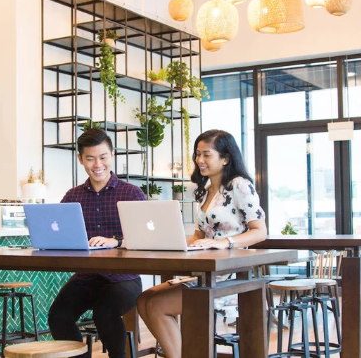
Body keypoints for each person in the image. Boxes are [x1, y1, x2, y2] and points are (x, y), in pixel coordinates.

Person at [135, 130, 267, 358]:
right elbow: (198, 236)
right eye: (197, 154)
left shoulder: (239, 185)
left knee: (157, 305)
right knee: (144, 299)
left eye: (207, 154)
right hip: (205, 273)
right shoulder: (205, 191)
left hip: (230, 276)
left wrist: (224, 243)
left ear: (225, 158)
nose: (199, 160)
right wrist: (167, 243)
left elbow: (260, 232)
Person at [46, 128, 146, 358]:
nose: (98, 164)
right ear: (80, 159)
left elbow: (144, 238)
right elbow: (61, 233)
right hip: (87, 276)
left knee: (104, 312)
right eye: (90, 158)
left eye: (103, 157)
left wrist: (115, 241)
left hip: (124, 278)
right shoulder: (73, 197)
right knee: (58, 315)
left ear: (112, 155)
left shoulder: (132, 194)